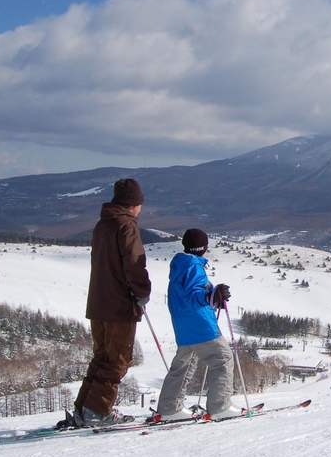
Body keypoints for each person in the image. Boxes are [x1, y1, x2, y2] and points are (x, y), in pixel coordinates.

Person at [73, 178, 152, 427]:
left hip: (98, 303)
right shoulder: (126, 226)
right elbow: (134, 262)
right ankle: (97, 411)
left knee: (101, 358)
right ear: (133, 204)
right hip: (119, 304)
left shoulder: (102, 225)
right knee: (117, 360)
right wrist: (142, 292)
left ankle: (84, 408)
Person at [153, 228, 240, 421]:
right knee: (223, 359)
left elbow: (186, 297)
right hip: (200, 326)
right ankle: (220, 406)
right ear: (204, 248)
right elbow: (194, 295)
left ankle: (170, 408)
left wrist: (212, 295)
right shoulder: (193, 267)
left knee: (184, 365)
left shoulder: (180, 266)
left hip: (183, 326)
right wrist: (211, 296)